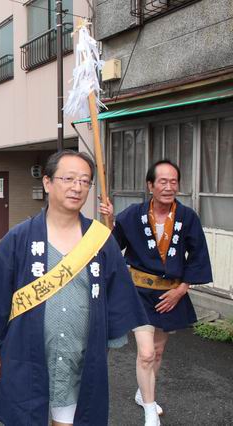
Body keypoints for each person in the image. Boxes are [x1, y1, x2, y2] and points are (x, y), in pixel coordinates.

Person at [0, 150, 148, 426]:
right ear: (47, 183)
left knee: (70, 419)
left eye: (85, 181)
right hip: (25, 351)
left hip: (78, 355)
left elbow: (117, 294)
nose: (77, 187)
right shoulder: (20, 237)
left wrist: (108, 342)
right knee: (25, 416)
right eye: (68, 178)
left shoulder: (100, 240)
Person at [99, 160, 213, 426]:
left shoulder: (187, 217)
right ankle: (150, 410)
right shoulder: (131, 215)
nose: (169, 187)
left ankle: (143, 392)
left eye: (173, 182)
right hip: (139, 293)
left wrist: (181, 291)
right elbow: (111, 250)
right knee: (147, 352)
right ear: (150, 185)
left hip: (169, 296)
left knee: (158, 352)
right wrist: (110, 222)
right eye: (163, 181)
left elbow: (198, 256)